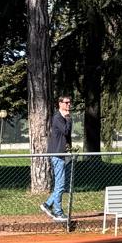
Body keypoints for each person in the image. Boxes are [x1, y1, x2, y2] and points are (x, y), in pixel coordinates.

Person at [41, 94, 73, 222]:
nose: (68, 105)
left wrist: (69, 148)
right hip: (57, 154)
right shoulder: (58, 118)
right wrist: (68, 119)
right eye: (66, 103)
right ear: (60, 104)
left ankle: (47, 204)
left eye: (69, 102)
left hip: (62, 153)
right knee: (60, 185)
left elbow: (67, 136)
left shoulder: (64, 117)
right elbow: (66, 131)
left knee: (61, 184)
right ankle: (58, 212)